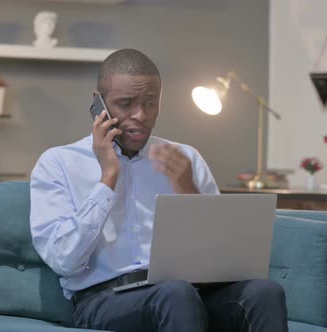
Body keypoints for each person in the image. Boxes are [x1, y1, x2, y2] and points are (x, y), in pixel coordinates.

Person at [29, 49, 288, 332]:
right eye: (126, 103)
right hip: (102, 299)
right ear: (98, 103)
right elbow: (64, 261)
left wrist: (188, 191)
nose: (141, 115)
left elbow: (221, 260)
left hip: (187, 293)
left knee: (264, 292)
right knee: (175, 294)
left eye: (151, 103)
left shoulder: (184, 159)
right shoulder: (58, 163)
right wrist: (108, 178)